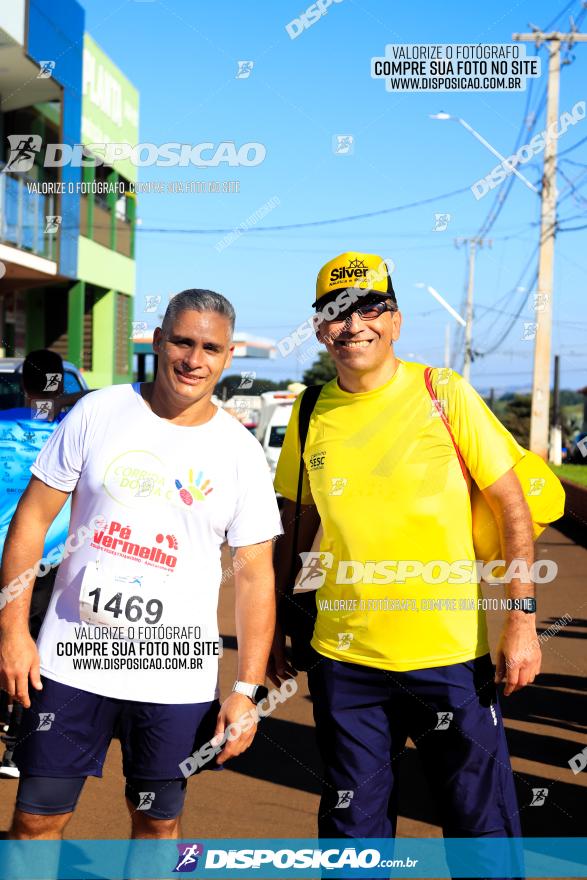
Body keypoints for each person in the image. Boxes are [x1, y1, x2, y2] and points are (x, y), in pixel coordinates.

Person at [270, 252, 541, 847]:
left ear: (396, 320)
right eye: (336, 312)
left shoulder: (443, 391)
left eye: (371, 306)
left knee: (480, 825)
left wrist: (521, 621)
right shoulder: (310, 410)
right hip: (346, 663)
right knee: (351, 830)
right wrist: (277, 622)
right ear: (320, 328)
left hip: (449, 657)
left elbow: (511, 505)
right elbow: (296, 524)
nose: (354, 323)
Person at [0, 289, 282, 840]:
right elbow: (31, 521)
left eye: (210, 348)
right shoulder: (98, 411)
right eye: (182, 341)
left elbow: (254, 576)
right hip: (69, 663)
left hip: (176, 676)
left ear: (227, 357)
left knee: (157, 822)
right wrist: (12, 632)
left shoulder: (240, 452)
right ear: (158, 341)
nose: (193, 359)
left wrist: (247, 689)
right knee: (36, 818)